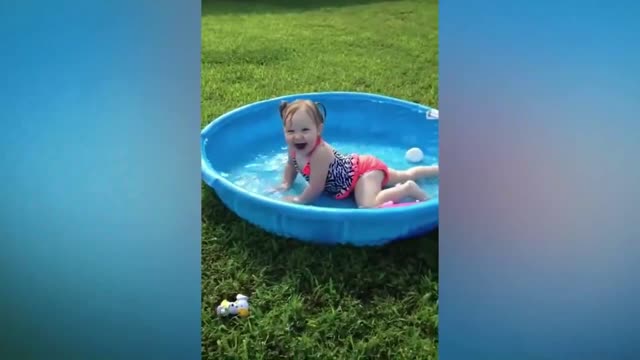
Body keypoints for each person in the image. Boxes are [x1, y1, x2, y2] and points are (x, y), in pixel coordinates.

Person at [275, 99, 438, 208]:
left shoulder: (319, 154)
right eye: (290, 131)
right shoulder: (294, 147)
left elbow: (316, 188)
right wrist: (286, 183)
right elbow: (291, 165)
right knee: (404, 173)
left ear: (319, 129)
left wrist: (299, 200)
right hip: (357, 169)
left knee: (367, 205)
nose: (297, 136)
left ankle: (407, 189)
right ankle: (436, 169)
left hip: (362, 174)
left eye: (305, 130)